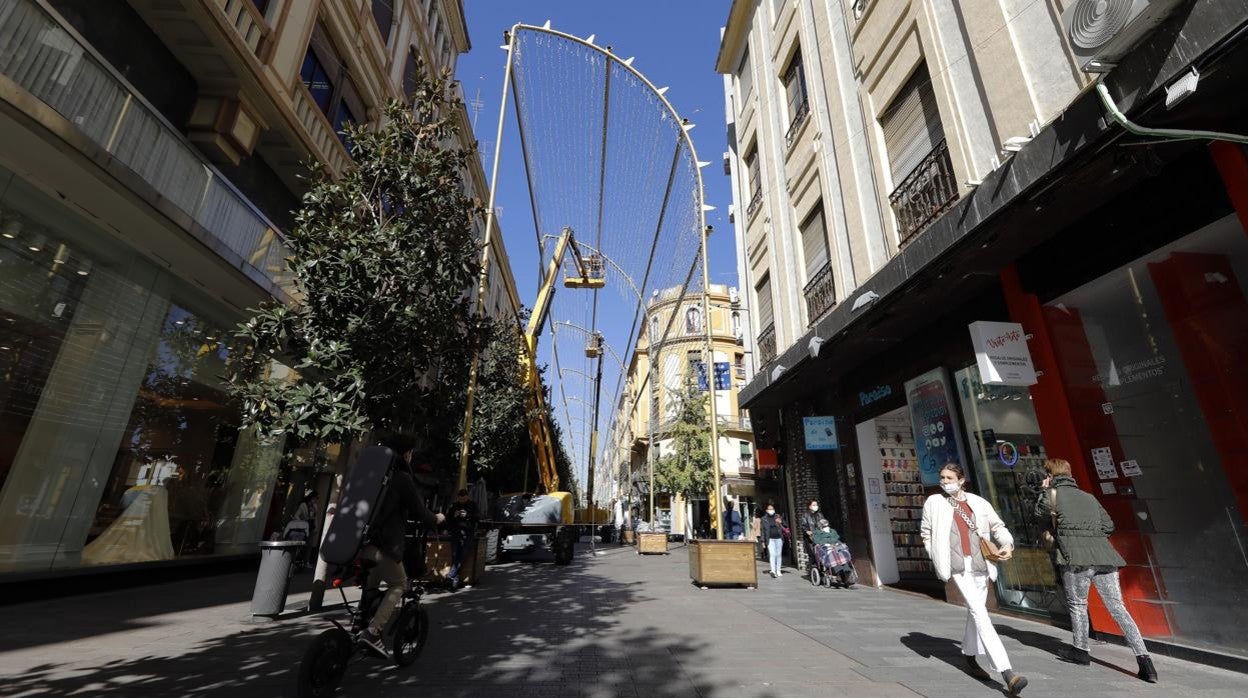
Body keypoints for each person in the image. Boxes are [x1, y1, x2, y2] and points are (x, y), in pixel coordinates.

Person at [1035, 458, 1156, 682]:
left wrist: (1045, 491)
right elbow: (1108, 526)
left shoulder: (1052, 496)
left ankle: (1080, 651)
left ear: (1050, 475)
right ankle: (1145, 661)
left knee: (1078, 605)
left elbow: (1039, 514)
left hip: (1076, 560)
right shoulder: (1088, 498)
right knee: (1118, 608)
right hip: (1105, 558)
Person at [921, 463, 1027, 695]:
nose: (945, 481)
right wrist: (936, 555)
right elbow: (926, 532)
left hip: (980, 564)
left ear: (961, 480)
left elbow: (997, 526)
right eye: (942, 477)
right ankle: (1007, 672)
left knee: (975, 612)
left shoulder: (978, 502)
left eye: (950, 478)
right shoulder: (934, 502)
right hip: (957, 567)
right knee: (981, 613)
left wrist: (1007, 545)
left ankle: (969, 656)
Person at [359, 435, 444, 656]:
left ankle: (358, 623)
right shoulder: (401, 478)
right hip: (385, 545)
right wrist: (437, 519)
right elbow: (419, 511)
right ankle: (373, 632)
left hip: (361, 543)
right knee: (399, 584)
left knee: (371, 586)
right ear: (406, 453)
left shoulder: (370, 475)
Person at [447, 488, 479, 589]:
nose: (462, 502)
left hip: (468, 533)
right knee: (455, 555)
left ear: (467, 497)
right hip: (456, 533)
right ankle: (454, 580)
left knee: (463, 555)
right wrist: (453, 515)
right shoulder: (454, 505)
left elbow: (478, 517)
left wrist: (468, 515)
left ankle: (451, 576)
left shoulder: (473, 505)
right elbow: (447, 519)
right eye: (460, 500)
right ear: (458, 498)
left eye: (464, 499)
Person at [811, 518, 855, 586]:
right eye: (824, 526)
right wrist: (829, 542)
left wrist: (835, 543)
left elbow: (836, 538)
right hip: (825, 548)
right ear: (820, 526)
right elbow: (817, 541)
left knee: (842, 554)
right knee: (832, 555)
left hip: (836, 545)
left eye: (826, 525)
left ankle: (847, 574)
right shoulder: (817, 533)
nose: (826, 527)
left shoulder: (832, 531)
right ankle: (838, 573)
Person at [757, 502, 787, 578]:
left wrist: (781, 522)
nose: (771, 510)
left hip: (779, 538)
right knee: (773, 554)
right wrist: (763, 541)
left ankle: (778, 570)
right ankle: (773, 570)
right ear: (766, 510)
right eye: (769, 509)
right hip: (770, 539)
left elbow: (785, 525)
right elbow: (763, 530)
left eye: (772, 509)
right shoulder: (763, 519)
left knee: (778, 555)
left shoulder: (777, 516)